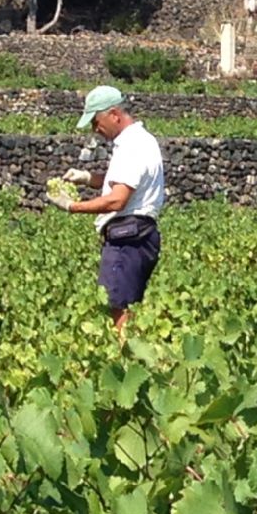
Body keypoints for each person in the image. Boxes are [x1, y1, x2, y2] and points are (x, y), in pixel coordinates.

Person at [50, 84, 166, 335]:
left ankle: (124, 362)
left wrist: (72, 206)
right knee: (125, 305)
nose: (95, 130)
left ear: (114, 114)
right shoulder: (142, 140)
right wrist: (88, 178)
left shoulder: (132, 145)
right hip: (139, 235)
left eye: (96, 121)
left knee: (118, 307)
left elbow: (117, 200)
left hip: (128, 237)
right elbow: (126, 181)